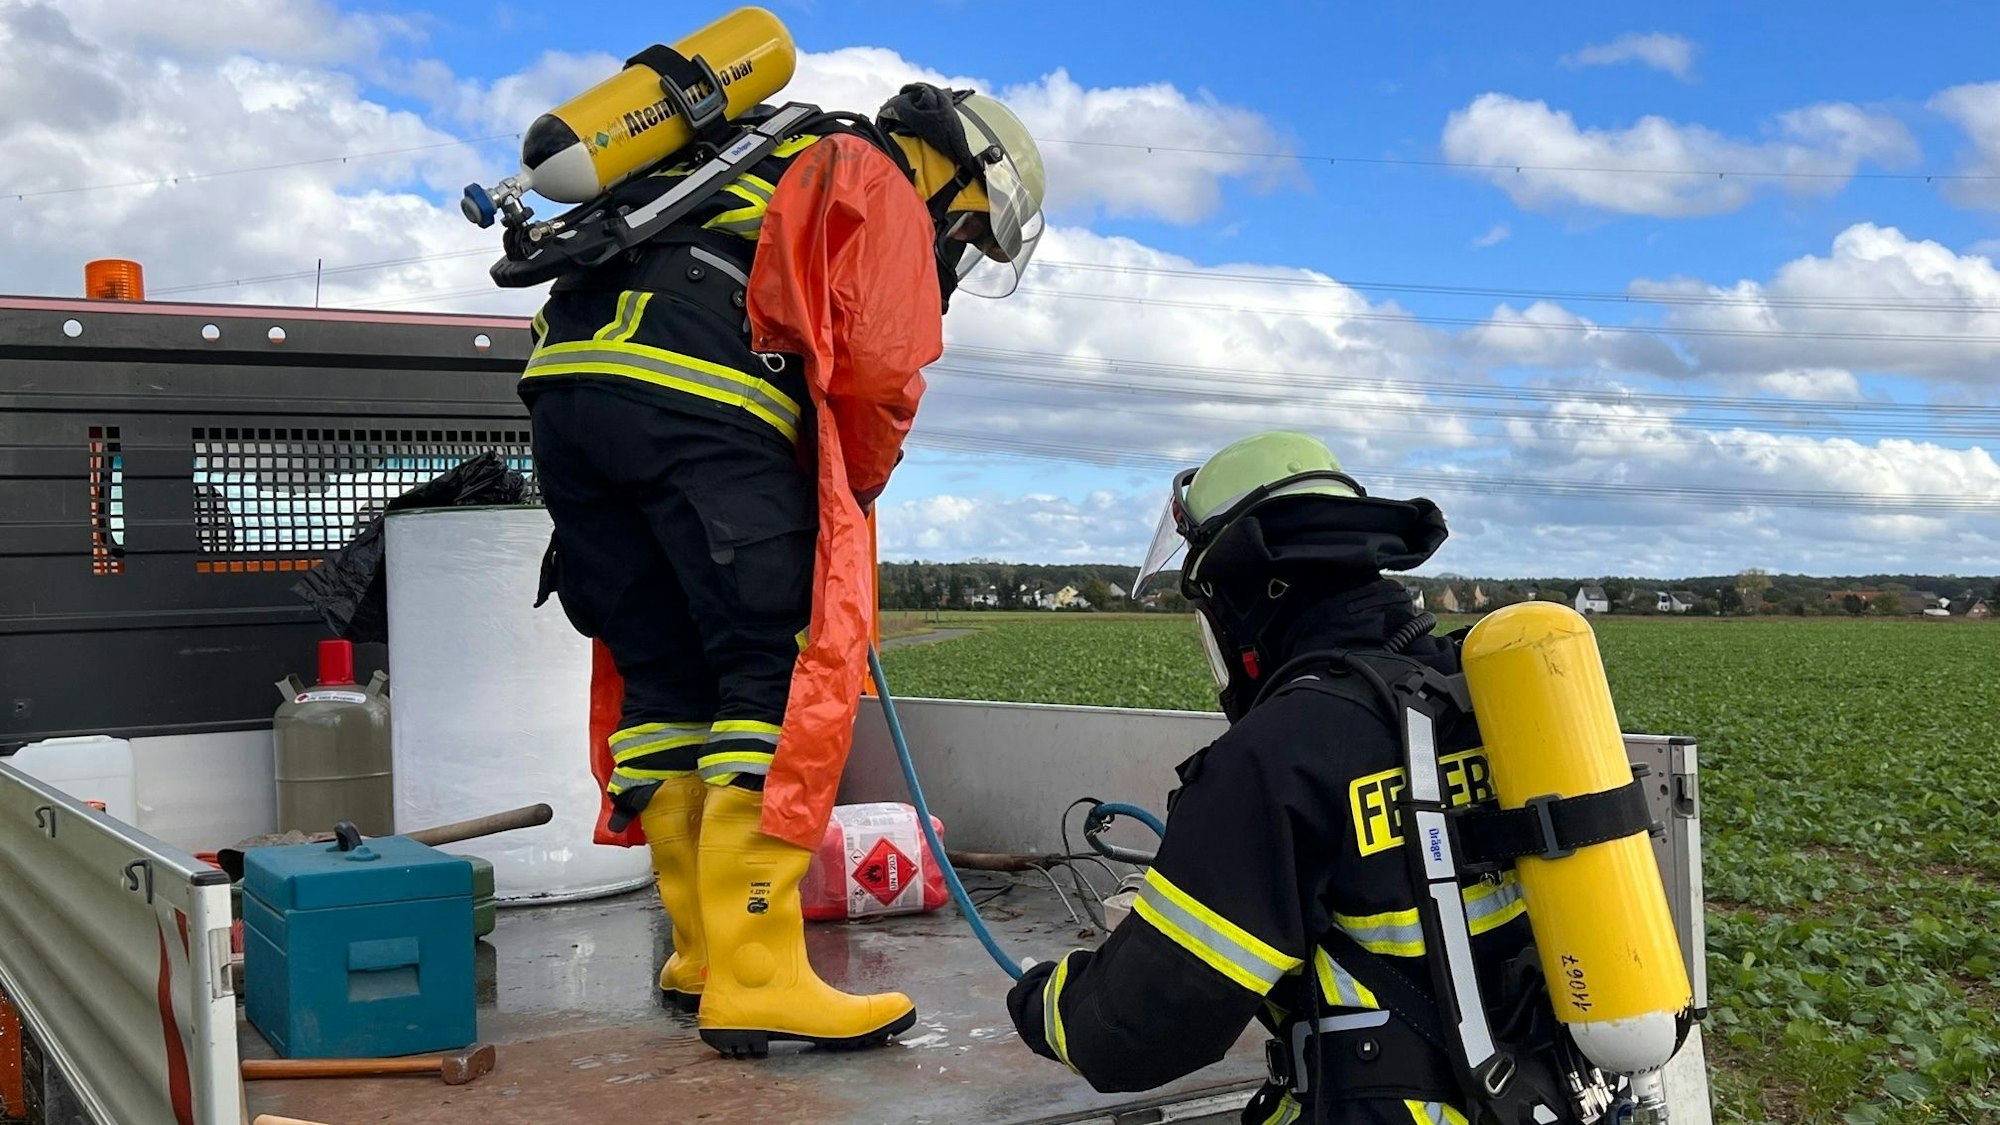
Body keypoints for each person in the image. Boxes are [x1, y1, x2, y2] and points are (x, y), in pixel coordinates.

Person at [519, 83, 1045, 1058]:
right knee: (771, 673)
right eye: (970, 222)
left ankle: (703, 958)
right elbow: (882, 369)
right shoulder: (875, 174)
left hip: (569, 407)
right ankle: (759, 975)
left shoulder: (733, 160)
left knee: (667, 679)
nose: (957, 244)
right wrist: (858, 490)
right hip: (703, 416)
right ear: (953, 165)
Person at [1006, 431, 1603, 1124]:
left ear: (1243, 600)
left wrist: (1039, 998)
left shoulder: (1275, 757)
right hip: (1545, 1096)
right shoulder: (1483, 692)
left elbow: (1134, 1030)